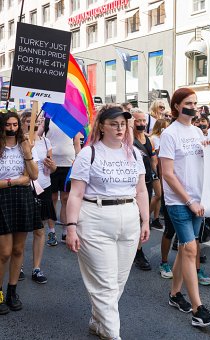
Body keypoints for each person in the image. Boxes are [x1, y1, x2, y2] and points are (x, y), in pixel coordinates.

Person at [66, 105, 150, 339]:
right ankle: (113, 335)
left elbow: (141, 190)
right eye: (114, 124)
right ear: (101, 126)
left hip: (129, 218)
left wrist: (145, 220)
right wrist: (71, 227)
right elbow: (75, 194)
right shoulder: (88, 153)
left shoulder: (134, 153)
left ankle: (98, 321)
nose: (119, 128)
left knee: (118, 282)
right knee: (105, 284)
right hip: (95, 218)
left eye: (123, 124)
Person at [160, 87, 210, 327]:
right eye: (188, 102)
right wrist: (189, 201)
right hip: (179, 201)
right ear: (176, 107)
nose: (193, 107)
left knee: (186, 249)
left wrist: (209, 148)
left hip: (198, 200)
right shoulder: (169, 134)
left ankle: (175, 294)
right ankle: (198, 309)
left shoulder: (197, 131)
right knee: (191, 250)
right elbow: (167, 173)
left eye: (195, 103)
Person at [0, 111, 39, 314]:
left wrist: (28, 153)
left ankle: (12, 291)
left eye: (15, 125)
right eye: (8, 124)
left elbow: (32, 176)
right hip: (1, 199)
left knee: (18, 250)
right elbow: (21, 179)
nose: (12, 128)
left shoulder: (24, 146)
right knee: (4, 252)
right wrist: (13, 181)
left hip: (21, 199)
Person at [21, 111, 57, 284]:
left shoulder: (45, 141)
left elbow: (52, 166)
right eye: (29, 121)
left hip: (44, 187)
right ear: (23, 123)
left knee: (39, 229)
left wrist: (52, 166)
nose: (33, 124)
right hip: (24, 188)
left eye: (36, 121)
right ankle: (18, 265)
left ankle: (36, 268)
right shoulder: (19, 142)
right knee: (20, 230)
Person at [39, 119, 81, 243]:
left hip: (69, 164)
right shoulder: (46, 121)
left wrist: (78, 159)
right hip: (50, 165)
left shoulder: (71, 120)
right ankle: (51, 232)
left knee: (66, 199)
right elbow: (36, 138)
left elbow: (76, 143)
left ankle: (65, 231)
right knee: (51, 199)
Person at [132, 108, 158, 272]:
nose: (142, 124)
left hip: (146, 183)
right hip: (130, 186)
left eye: (144, 121)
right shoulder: (128, 140)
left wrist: (157, 177)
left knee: (142, 218)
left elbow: (154, 161)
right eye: (138, 121)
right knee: (132, 219)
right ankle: (132, 250)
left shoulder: (149, 140)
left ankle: (138, 251)